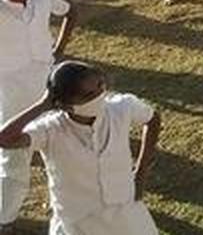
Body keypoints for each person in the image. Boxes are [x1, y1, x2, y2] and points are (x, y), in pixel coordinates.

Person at [0, 61, 160, 235]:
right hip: (76, 222)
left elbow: (153, 119)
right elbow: (5, 139)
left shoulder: (121, 108)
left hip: (124, 214)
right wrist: (43, 105)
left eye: (100, 85)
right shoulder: (50, 129)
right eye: (89, 94)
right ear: (65, 105)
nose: (100, 94)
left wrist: (140, 172)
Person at [0, 0, 77, 232]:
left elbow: (70, 11)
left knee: (63, 142)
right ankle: (4, 219)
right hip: (12, 91)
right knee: (14, 156)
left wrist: (59, 49)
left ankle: (67, 201)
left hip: (49, 84)